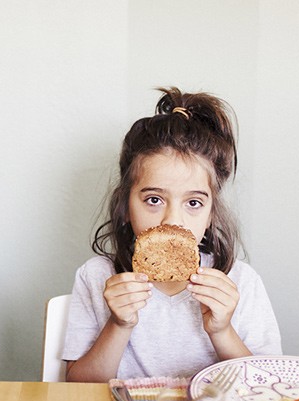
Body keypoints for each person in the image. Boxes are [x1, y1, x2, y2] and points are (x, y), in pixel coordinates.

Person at [62, 87, 281, 382]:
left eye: (193, 203)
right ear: (126, 206)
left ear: (211, 213)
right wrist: (119, 324)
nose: (172, 221)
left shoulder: (241, 283)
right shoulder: (97, 277)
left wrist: (222, 330)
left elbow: (266, 387)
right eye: (154, 199)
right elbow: (79, 386)